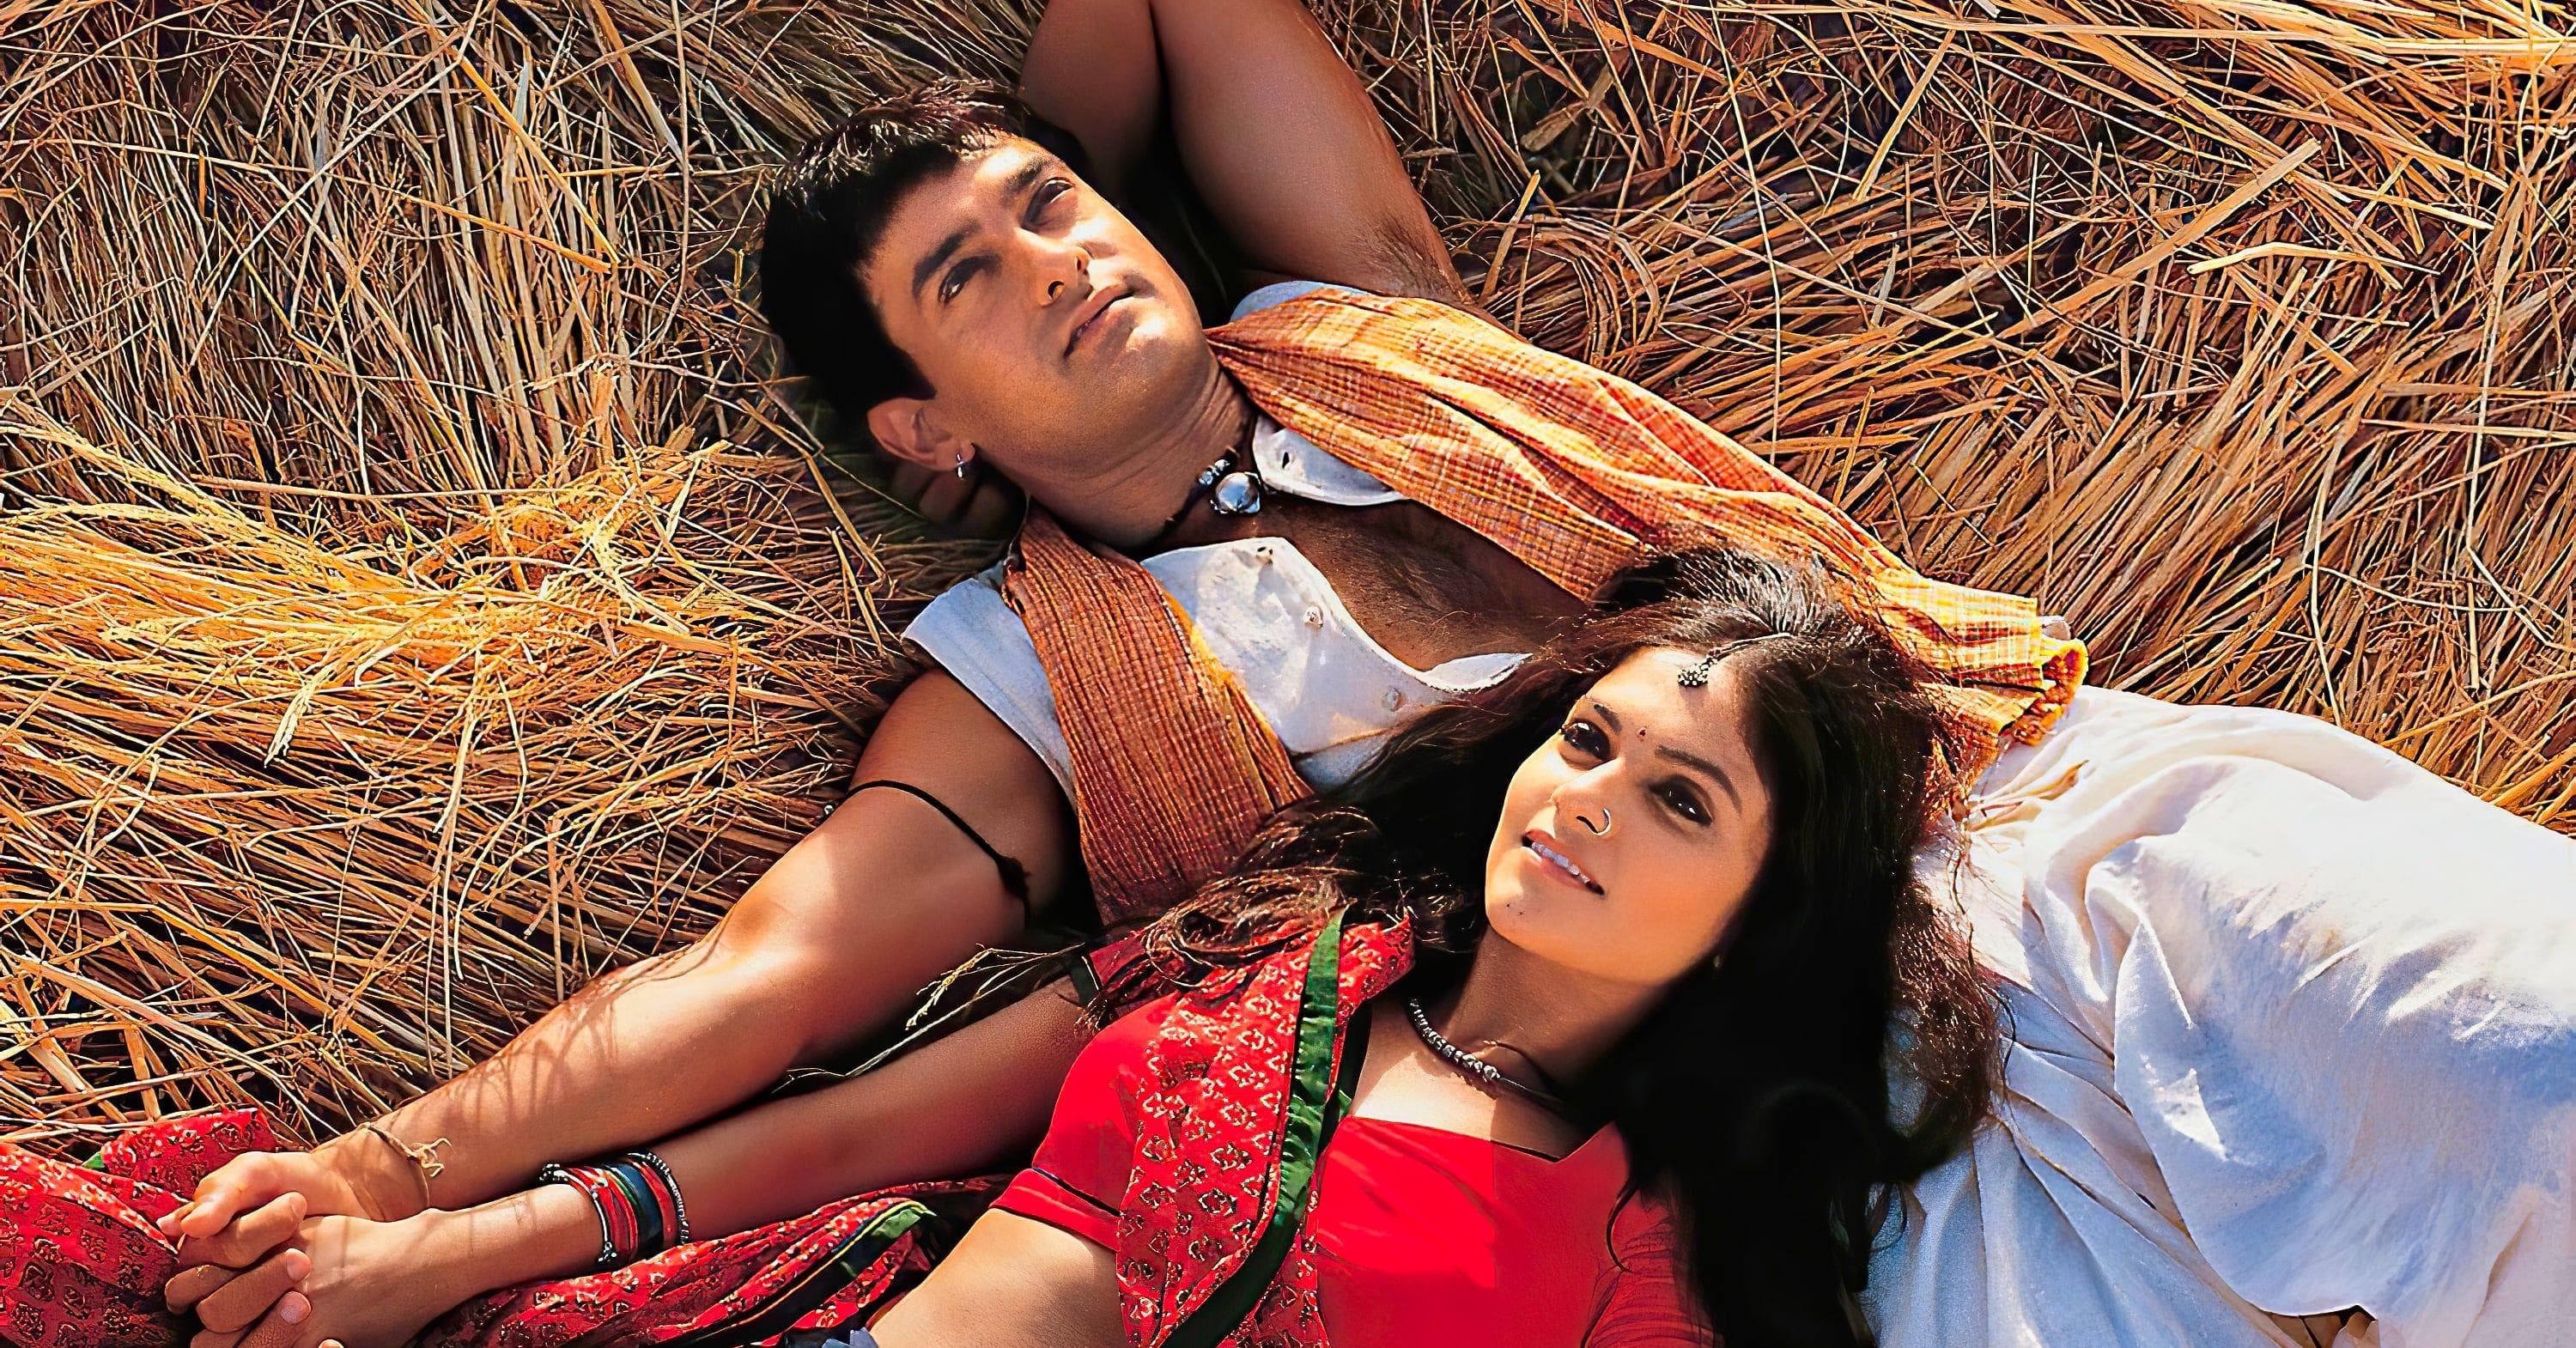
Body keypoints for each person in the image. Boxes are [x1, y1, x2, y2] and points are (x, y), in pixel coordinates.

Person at [5, 0, 2568, 1340]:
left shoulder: (1364, 326)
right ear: (922, 431)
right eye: (972, 279)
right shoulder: (1021, 676)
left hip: (2055, 830)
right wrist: (389, 1175)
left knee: (2529, 1065)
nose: (1061, 259)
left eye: (1061, 207)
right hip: (1818, 1130)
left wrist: (1021, 134)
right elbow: (765, 982)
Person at [196, 550, 2000, 1348]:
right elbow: (859, 1130)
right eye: (1590, 740)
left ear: (1765, 914)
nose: (1588, 802)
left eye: (1682, 800)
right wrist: (427, 1250)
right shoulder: (1286, 953)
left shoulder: (1643, 1243)